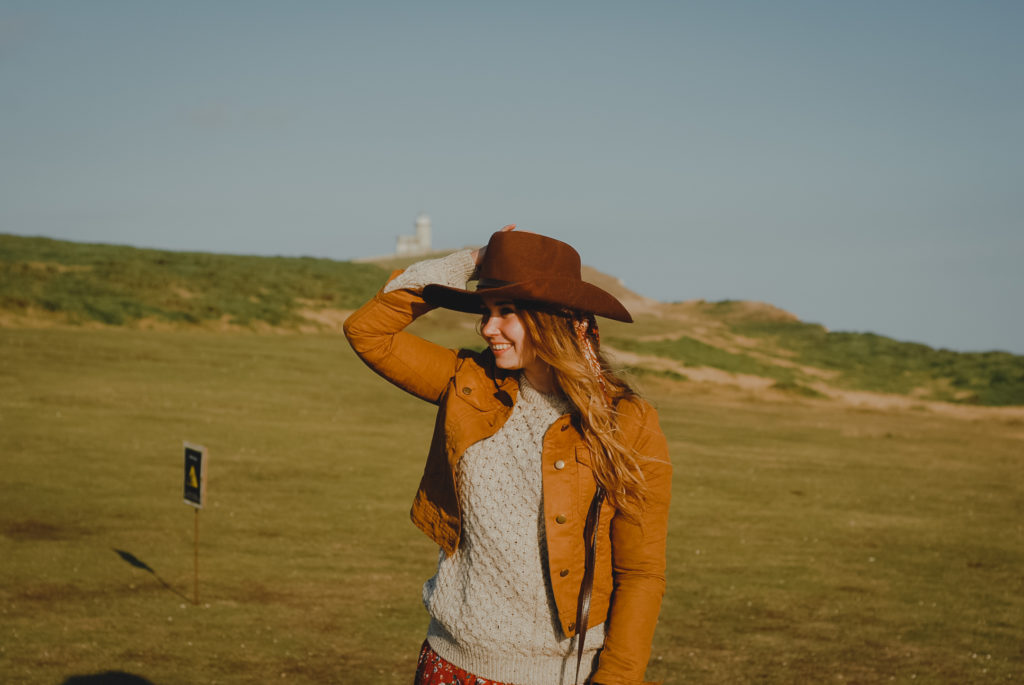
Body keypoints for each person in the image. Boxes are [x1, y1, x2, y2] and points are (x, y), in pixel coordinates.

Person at [343, 226, 672, 685]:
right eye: (486, 311)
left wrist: (616, 679)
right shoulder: (467, 382)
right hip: (448, 664)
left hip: (555, 675)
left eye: (506, 313)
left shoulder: (625, 421)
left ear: (552, 319)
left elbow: (640, 572)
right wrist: (470, 262)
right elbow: (367, 331)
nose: (487, 328)